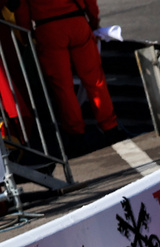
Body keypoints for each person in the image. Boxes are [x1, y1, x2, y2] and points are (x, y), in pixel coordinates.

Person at [8, 0, 125, 153]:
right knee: (95, 80)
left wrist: (25, 36)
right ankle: (110, 128)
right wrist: (94, 21)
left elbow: (22, 10)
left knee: (63, 87)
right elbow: (90, 3)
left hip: (48, 30)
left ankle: (77, 135)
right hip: (77, 23)